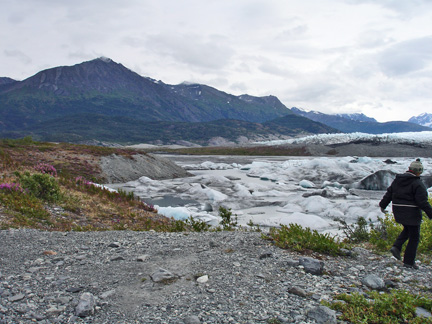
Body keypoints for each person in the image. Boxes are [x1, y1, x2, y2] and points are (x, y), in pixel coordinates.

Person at [379, 158, 432, 269]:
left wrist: (383, 205)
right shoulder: (417, 183)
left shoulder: (398, 180)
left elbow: (389, 193)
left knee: (408, 229)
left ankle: (397, 246)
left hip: (398, 210)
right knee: (414, 236)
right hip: (412, 212)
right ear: (419, 171)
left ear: (409, 169)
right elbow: (422, 202)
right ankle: (409, 262)